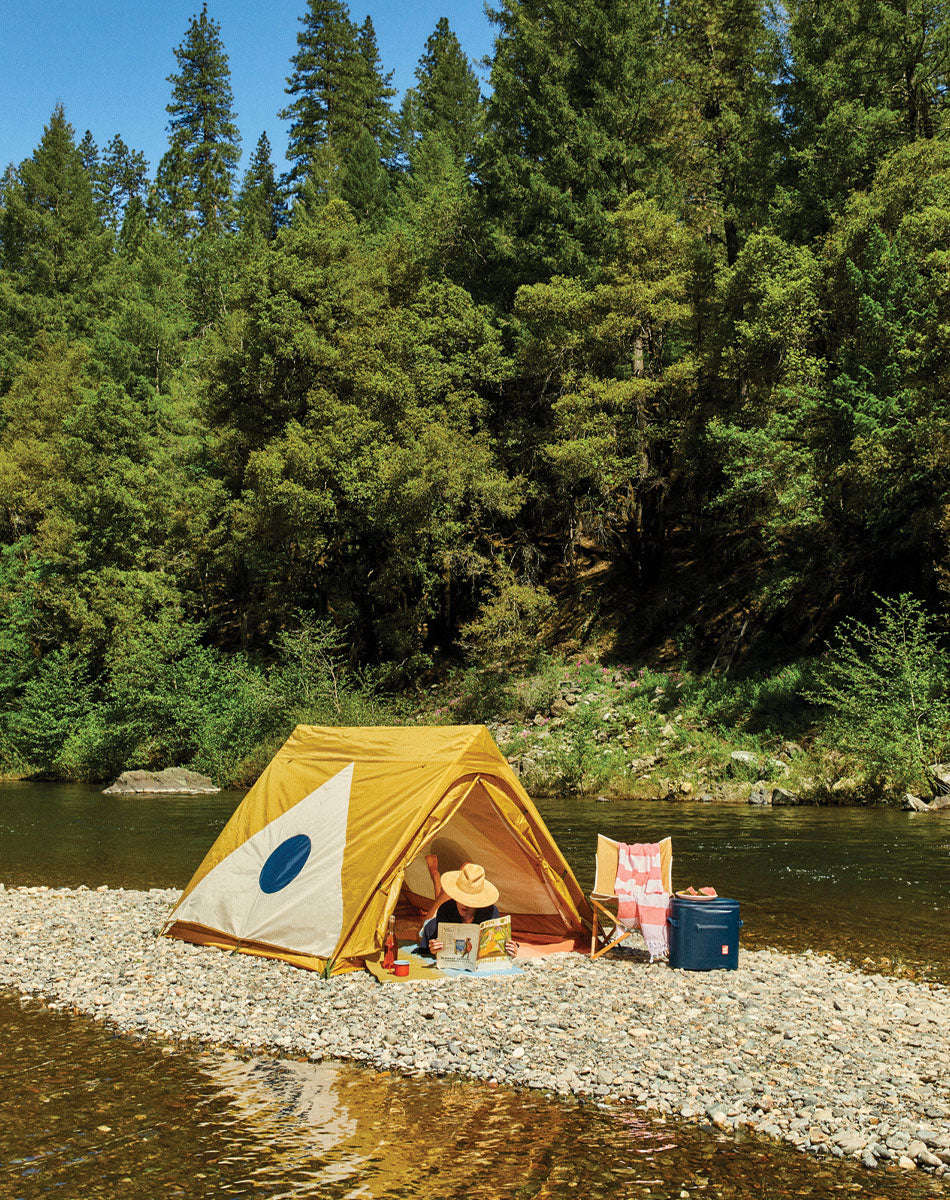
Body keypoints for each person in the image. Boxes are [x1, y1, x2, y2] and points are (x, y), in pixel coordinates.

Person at [417, 861, 519, 957]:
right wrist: (435, 949)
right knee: (422, 932)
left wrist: (510, 950)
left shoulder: (491, 912)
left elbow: (495, 943)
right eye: (461, 898)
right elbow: (440, 949)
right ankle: (438, 883)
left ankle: (443, 888)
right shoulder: (445, 909)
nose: (465, 904)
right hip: (432, 927)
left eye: (470, 901)